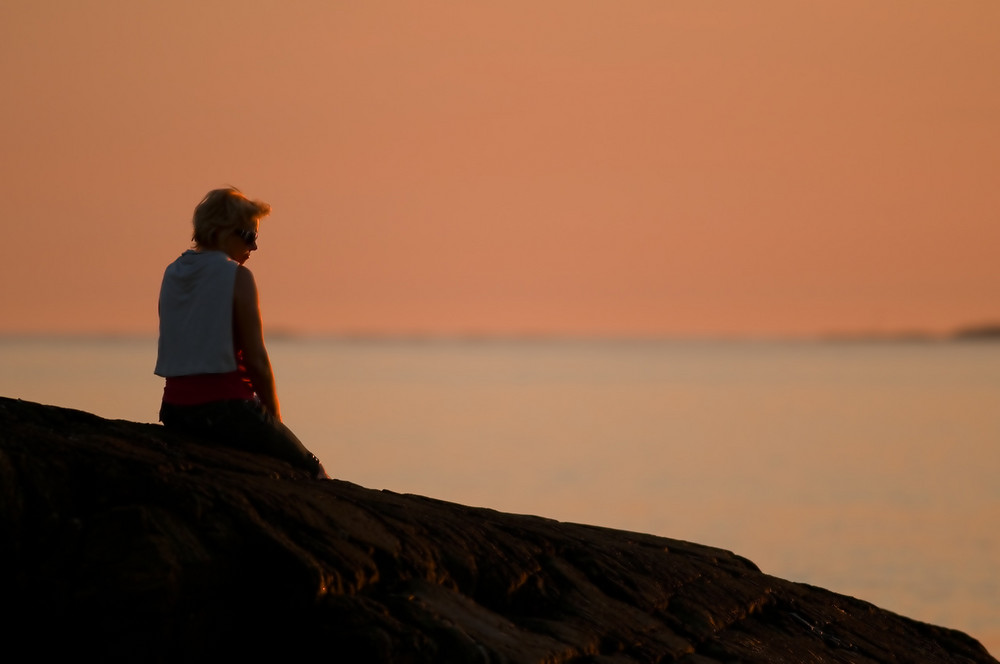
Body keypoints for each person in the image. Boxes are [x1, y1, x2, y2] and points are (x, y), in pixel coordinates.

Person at [154, 187, 328, 479]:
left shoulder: (173, 272)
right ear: (223, 231)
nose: (255, 248)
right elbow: (256, 358)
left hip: (175, 411)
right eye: (250, 236)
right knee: (312, 470)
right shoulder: (236, 276)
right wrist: (274, 421)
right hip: (228, 410)